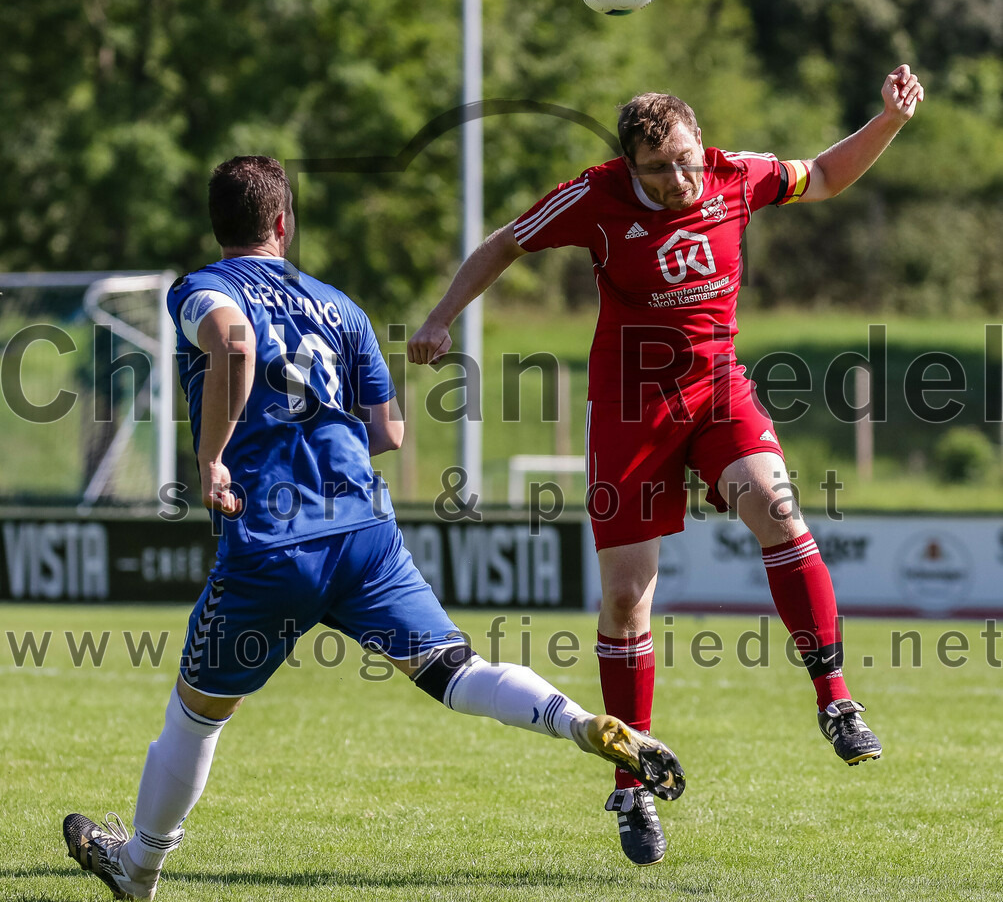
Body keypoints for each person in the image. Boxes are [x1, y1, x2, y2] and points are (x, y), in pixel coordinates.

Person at [62, 156, 685, 900]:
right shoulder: (340, 306)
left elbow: (233, 343)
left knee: (196, 716)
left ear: (218, 225)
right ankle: (582, 722)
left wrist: (212, 457)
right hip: (363, 532)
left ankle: (138, 870)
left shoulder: (202, 288)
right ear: (283, 224)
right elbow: (386, 429)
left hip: (272, 539)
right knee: (459, 672)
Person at [408, 65, 925, 865]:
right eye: (659, 168)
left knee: (779, 510)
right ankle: (631, 784)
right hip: (629, 410)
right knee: (624, 599)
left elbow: (821, 175)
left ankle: (835, 700)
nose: (680, 176)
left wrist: (887, 121)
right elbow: (505, 241)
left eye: (685, 156)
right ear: (628, 167)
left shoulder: (732, 175)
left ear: (698, 142)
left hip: (718, 390)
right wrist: (442, 316)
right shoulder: (593, 196)